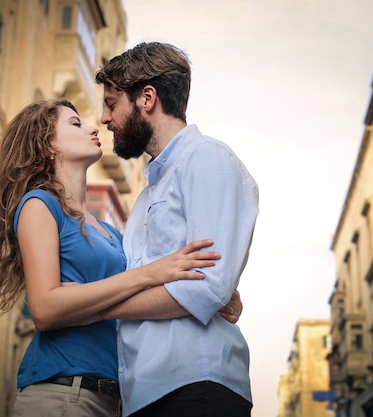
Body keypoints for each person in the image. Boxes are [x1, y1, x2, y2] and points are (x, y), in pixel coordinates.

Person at [0, 99, 242, 417]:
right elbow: (44, 308)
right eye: (76, 124)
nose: (94, 127)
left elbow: (143, 289)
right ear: (48, 144)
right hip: (62, 394)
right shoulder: (38, 204)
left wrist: (212, 289)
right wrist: (149, 274)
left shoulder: (108, 231)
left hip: (114, 399)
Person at [95, 42, 259, 417]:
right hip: (148, 392)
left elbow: (207, 287)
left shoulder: (207, 159)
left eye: (111, 103)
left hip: (195, 386)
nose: (105, 118)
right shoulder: (145, 196)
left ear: (147, 98)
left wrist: (97, 307)